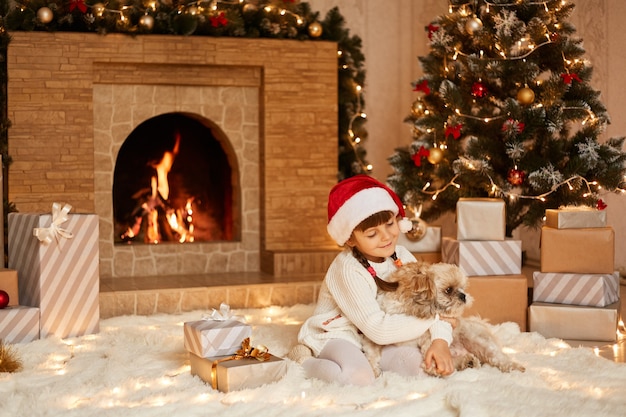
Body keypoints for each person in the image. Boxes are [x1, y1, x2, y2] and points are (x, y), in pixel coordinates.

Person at [290, 174, 455, 386]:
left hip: (378, 341)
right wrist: (434, 319)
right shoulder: (348, 269)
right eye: (372, 234)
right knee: (358, 378)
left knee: (423, 370)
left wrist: (440, 341)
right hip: (342, 333)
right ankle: (303, 360)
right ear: (350, 238)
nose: (386, 236)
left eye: (389, 224)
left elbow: (433, 304)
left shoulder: (403, 256)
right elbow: (378, 329)